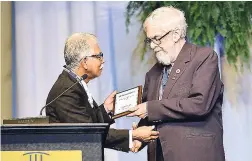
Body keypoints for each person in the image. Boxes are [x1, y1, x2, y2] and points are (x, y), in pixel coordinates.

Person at [128, 6, 225, 161]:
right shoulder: (153, 73)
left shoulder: (204, 58)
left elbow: (199, 104)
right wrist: (140, 135)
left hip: (195, 155)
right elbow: (154, 114)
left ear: (176, 34)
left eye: (157, 38)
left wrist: (148, 108)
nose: (152, 45)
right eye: (149, 40)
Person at [45, 33, 159, 153]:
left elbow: (87, 122)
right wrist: (133, 134)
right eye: (99, 56)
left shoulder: (73, 83)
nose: (103, 61)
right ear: (84, 62)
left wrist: (105, 109)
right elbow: (89, 133)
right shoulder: (66, 91)